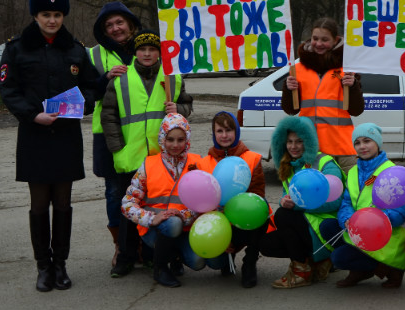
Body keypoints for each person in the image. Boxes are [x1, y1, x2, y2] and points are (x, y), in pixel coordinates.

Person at [0, 0, 98, 292]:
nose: (52, 20)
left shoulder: (76, 50)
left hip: (66, 137)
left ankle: (60, 265)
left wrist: (81, 105)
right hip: (35, 137)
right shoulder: (17, 49)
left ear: (63, 16)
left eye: (57, 14)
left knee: (63, 203)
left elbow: (92, 86)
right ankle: (43, 266)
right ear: (35, 16)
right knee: (40, 204)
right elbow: (8, 90)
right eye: (46, 14)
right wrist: (32, 115)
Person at [101, 30, 193, 277]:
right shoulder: (121, 79)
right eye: (143, 49)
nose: (147, 54)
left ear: (159, 53)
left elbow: (187, 105)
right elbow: (108, 116)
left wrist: (178, 108)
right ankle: (126, 257)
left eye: (153, 49)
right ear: (136, 53)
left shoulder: (172, 78)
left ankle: (155, 256)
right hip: (129, 155)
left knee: (158, 207)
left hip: (161, 157)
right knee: (129, 211)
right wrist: (117, 147)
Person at [121, 113, 226, 287]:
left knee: (198, 262)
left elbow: (208, 202)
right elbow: (127, 204)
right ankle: (160, 269)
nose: (175, 145)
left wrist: (184, 215)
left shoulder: (198, 163)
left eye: (180, 140)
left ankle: (174, 257)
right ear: (162, 139)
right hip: (155, 230)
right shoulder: (148, 165)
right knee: (172, 224)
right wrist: (151, 218)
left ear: (187, 140)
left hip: (185, 228)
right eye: (170, 139)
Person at [320, 123, 405, 288]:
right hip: (360, 231)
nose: (362, 146)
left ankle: (388, 268)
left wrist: (373, 222)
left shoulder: (392, 171)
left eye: (367, 141)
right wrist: (347, 219)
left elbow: (402, 210)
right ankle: (361, 270)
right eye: (357, 143)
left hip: (384, 237)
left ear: (378, 143)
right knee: (327, 226)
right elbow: (347, 202)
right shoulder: (353, 172)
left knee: (339, 258)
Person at [260, 116, 344, 288]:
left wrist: (297, 206)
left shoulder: (325, 163)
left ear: (309, 141)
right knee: (266, 244)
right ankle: (315, 262)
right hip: (305, 225)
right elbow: (287, 195)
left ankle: (301, 271)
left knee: (283, 215)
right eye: (289, 141)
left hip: (326, 227)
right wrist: (284, 201)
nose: (293, 146)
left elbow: (336, 201)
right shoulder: (287, 165)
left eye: (299, 141)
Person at [89, 1, 141, 267]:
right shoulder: (94, 55)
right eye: (109, 25)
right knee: (114, 191)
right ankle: (121, 247)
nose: (115, 28)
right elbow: (86, 93)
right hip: (108, 134)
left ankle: (145, 245)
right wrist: (105, 78)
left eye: (119, 22)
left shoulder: (148, 47)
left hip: (143, 133)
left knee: (146, 190)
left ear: (130, 23)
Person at [281, 17, 365, 172]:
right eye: (315, 38)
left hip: (341, 148)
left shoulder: (347, 69)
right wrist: (287, 89)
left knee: (348, 187)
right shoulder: (297, 69)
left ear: (335, 40)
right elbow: (291, 109)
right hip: (310, 148)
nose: (319, 44)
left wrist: (353, 87)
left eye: (325, 40)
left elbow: (356, 110)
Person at [199, 111, 266, 287]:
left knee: (262, 207)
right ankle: (228, 255)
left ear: (236, 132)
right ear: (213, 134)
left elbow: (257, 195)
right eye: (219, 131)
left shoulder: (252, 158)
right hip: (219, 222)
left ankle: (249, 263)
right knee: (217, 263)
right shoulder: (204, 163)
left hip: (244, 219)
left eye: (229, 130)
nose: (224, 135)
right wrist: (223, 235)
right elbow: (204, 203)